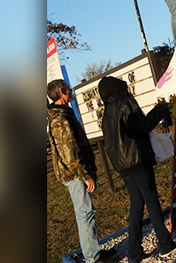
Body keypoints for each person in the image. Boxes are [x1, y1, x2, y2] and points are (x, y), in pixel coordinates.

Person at [97, 76, 176, 262]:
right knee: (151, 200)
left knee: (136, 205)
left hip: (122, 166)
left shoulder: (107, 112)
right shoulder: (126, 102)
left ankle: (134, 253)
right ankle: (165, 244)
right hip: (137, 160)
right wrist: (159, 110)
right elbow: (141, 127)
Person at [47, 79, 116, 263]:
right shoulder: (60, 120)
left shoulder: (64, 114)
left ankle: (93, 250)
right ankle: (92, 257)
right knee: (85, 213)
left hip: (77, 173)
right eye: (68, 89)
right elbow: (69, 155)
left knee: (86, 212)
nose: (71, 91)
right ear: (62, 92)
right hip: (74, 174)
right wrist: (85, 176)